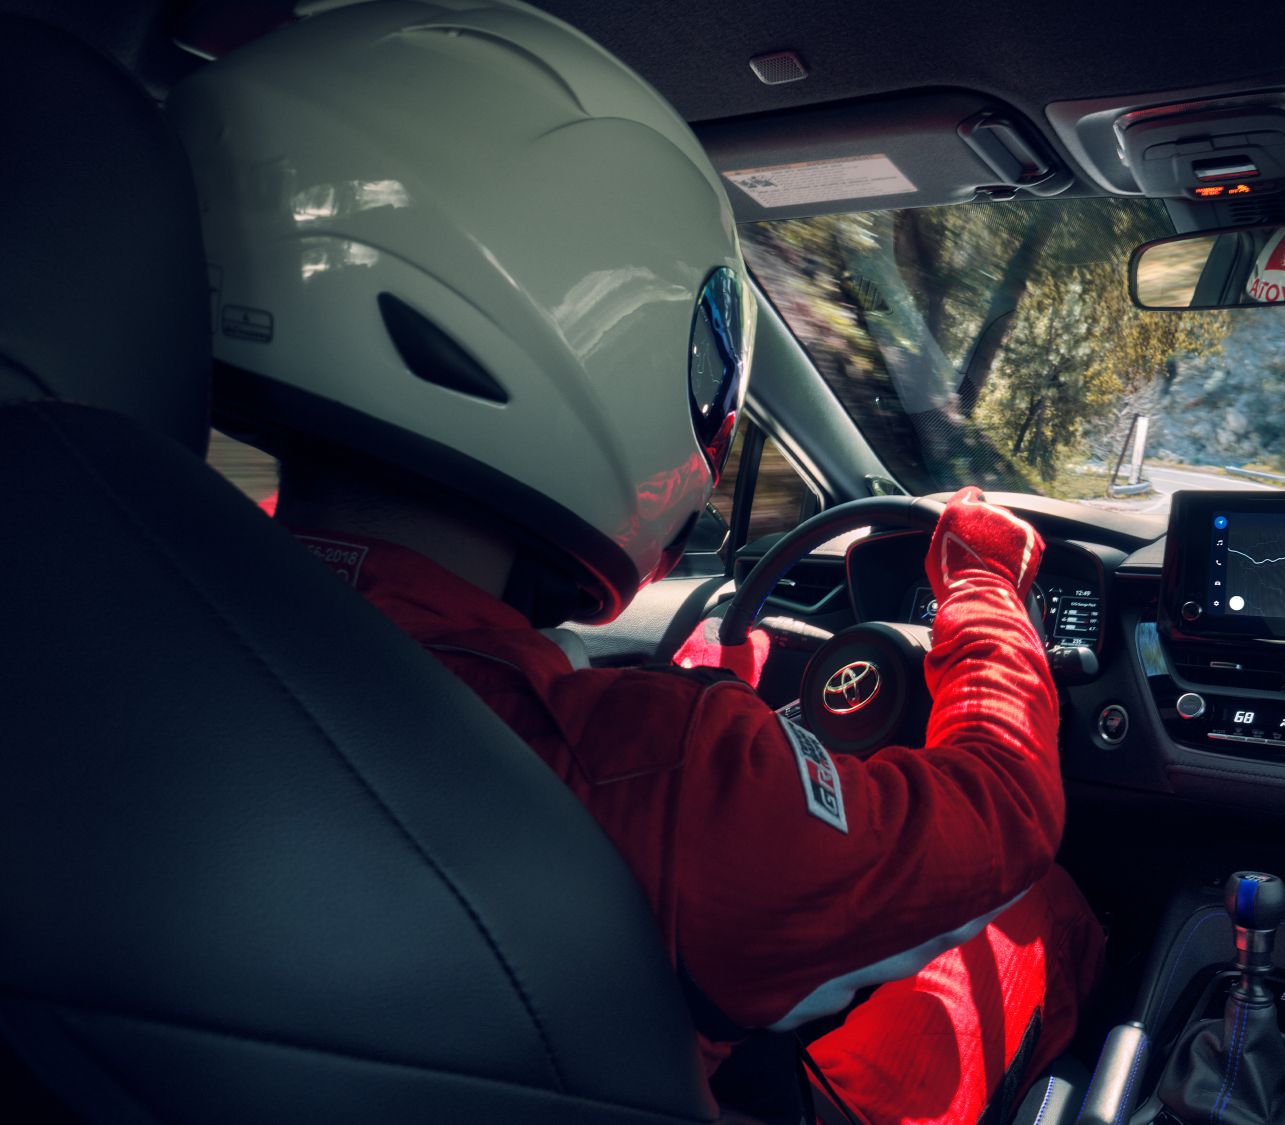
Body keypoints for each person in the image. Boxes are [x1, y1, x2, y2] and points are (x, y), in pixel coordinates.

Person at [170, 1, 1102, 1120]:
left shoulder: (130, 619)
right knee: (1033, 911)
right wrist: (985, 583)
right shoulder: (653, 775)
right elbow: (1002, 808)